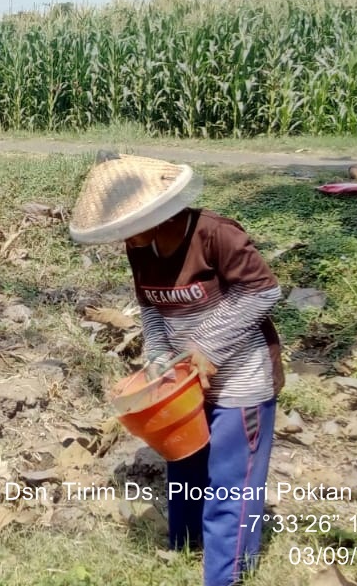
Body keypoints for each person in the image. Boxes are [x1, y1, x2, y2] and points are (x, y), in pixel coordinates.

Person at [69, 153, 283, 586]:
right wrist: (158, 356)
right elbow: (151, 304)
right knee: (185, 463)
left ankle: (226, 573)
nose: (123, 238)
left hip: (240, 377)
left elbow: (263, 293)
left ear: (157, 213)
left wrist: (208, 349)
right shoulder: (141, 246)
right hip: (185, 380)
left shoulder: (215, 235)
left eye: (127, 226)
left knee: (229, 482)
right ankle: (186, 546)